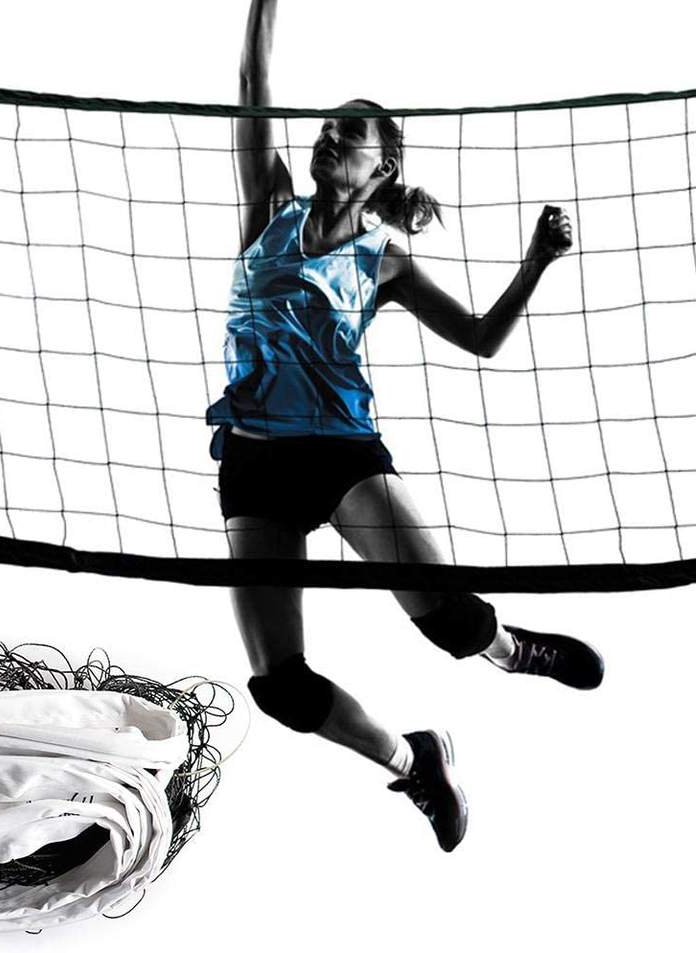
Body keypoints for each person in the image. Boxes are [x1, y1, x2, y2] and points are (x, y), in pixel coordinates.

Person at [205, 0, 604, 853]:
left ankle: (514, 650)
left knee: (448, 619)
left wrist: (535, 262)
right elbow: (251, 77)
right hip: (252, 459)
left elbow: (481, 338)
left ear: (381, 164)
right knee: (280, 686)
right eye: (325, 128)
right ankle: (411, 759)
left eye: (347, 134)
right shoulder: (270, 204)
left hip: (340, 451)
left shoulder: (381, 255)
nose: (326, 138)